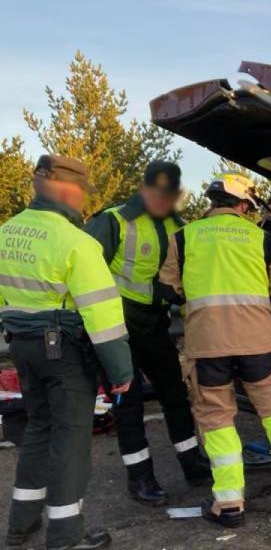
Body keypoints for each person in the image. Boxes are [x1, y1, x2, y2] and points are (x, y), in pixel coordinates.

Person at [157, 172, 271, 528]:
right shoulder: (262, 238)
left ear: (214, 201)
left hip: (207, 346)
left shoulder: (183, 238)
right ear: (244, 204)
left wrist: (193, 306)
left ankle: (229, 505)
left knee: (216, 421)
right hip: (258, 344)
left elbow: (167, 289)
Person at [1, 155, 134, 550]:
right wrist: (120, 370)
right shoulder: (77, 242)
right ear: (66, 190)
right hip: (64, 351)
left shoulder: (6, 232)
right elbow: (102, 313)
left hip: (22, 347)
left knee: (39, 428)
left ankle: (20, 526)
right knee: (72, 439)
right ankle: (65, 535)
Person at [84, 161, 211, 506]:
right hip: (115, 328)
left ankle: (193, 463)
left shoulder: (177, 226)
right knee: (129, 403)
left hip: (154, 325)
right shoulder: (112, 221)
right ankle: (140, 478)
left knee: (174, 393)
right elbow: (84, 274)